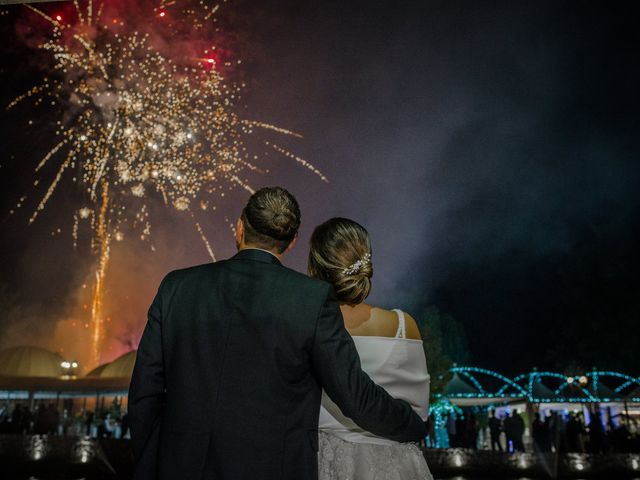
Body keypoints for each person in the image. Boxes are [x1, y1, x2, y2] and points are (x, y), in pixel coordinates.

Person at [129, 187, 426, 480]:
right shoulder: (311, 299)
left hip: (178, 465)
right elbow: (354, 395)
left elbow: (145, 390)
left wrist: (151, 459)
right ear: (292, 241)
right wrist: (412, 424)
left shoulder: (176, 287)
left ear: (240, 226)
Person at [309, 217, 432, 480]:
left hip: (321, 460)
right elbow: (419, 411)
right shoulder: (403, 325)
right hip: (393, 463)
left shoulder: (306, 326)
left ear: (316, 268)